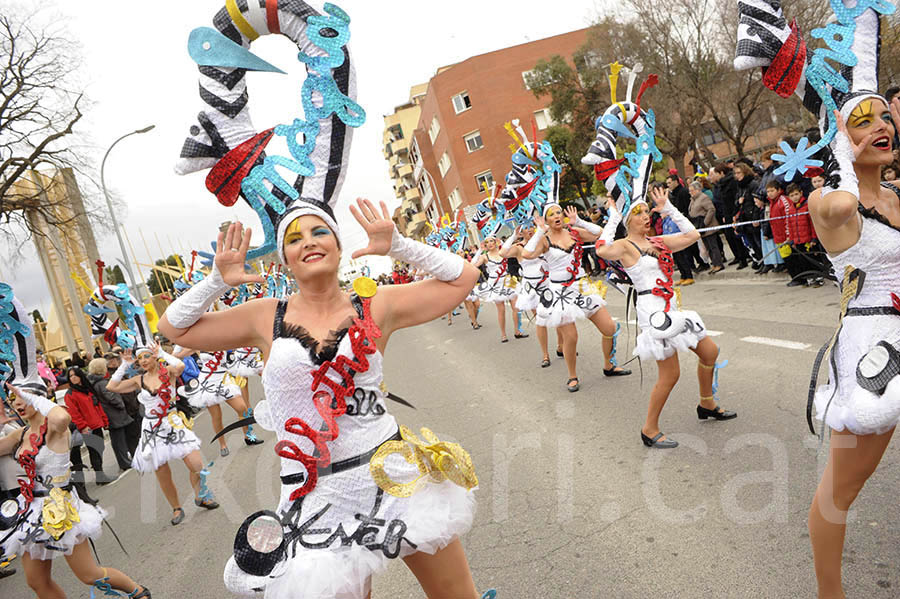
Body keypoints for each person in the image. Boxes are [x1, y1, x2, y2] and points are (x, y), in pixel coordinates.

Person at [159, 195, 487, 598]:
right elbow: (174, 329)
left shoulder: (377, 303)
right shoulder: (264, 315)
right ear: (284, 259)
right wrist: (215, 283)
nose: (309, 242)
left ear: (337, 243)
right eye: (295, 239)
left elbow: (465, 277)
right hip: (316, 495)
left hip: (391, 473)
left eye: (319, 231)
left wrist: (400, 245)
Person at [735, 3, 900, 595]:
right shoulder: (831, 203)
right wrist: (843, 143)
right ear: (839, 138)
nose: (882, 126)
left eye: (886, 116)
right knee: (842, 488)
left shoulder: (898, 194)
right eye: (865, 121)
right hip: (874, 351)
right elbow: (839, 206)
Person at [594, 188, 736, 448]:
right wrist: (613, 217)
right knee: (670, 374)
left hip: (672, 307)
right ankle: (649, 429)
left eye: (647, 211)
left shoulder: (659, 241)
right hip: (653, 312)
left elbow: (693, 235)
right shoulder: (625, 246)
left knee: (709, 352)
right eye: (639, 214)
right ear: (629, 220)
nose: (646, 216)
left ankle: (706, 403)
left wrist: (669, 207)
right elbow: (601, 251)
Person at [0, 381, 150, 598]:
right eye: (14, 399)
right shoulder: (20, 435)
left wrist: (31, 396)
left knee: (90, 575)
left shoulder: (56, 429)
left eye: (24, 397)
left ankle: (137, 591)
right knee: (37, 581)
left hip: (62, 508)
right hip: (31, 510)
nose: (19, 403)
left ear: (39, 399)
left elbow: (61, 417)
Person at [521, 204, 631, 391]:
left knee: (609, 328)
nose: (556, 216)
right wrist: (539, 232)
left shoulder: (574, 232)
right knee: (571, 337)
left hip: (582, 287)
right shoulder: (544, 241)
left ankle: (609, 365)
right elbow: (526, 253)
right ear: (546, 220)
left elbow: (599, 232)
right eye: (551, 214)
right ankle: (572, 376)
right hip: (560, 293)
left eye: (559, 212)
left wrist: (579, 221)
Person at [106, 343, 219, 525]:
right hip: (152, 428)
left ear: (154, 357)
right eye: (140, 358)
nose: (142, 361)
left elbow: (180, 366)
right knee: (162, 471)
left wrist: (163, 353)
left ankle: (200, 495)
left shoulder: (168, 372)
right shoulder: (138, 380)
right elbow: (112, 387)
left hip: (172, 422)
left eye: (146, 356)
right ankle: (176, 508)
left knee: (196, 463)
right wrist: (124, 365)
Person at [500, 225, 564, 367]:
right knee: (541, 320)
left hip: (549, 284)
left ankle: (561, 346)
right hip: (532, 289)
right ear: (521, 231)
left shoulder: (543, 242)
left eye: (532, 227)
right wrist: (513, 237)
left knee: (558, 316)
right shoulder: (518, 247)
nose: (529, 230)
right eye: (526, 228)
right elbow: (502, 253)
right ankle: (545, 355)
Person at [472, 236, 527, 343]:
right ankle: (503, 334)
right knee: (501, 310)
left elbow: (517, 248)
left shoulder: (503, 252)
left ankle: (517, 331)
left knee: (516, 307)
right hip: (496, 284)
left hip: (508, 281)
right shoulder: (485, 256)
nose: (490, 244)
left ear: (496, 242)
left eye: (492, 241)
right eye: (487, 242)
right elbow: (473, 265)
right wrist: (479, 250)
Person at [63, 367, 111, 486]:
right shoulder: (70, 394)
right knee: (92, 451)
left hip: (96, 424)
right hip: (85, 428)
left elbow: (97, 406)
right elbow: (74, 413)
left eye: (75, 375)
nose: (73, 378)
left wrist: (104, 421)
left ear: (80, 375)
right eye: (70, 376)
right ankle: (97, 477)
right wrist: (83, 426)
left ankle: (100, 474)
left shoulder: (88, 389)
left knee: (99, 449)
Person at [86, 358, 133, 473]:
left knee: (118, 440)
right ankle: (124, 462)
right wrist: (121, 404)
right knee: (119, 440)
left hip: (111, 414)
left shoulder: (95, 382)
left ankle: (124, 461)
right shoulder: (102, 383)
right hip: (114, 414)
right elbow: (111, 397)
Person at [710, 163, 750, 269]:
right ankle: (738, 256)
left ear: (722, 173)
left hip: (734, 212)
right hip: (726, 213)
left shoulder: (731, 183)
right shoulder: (721, 185)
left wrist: (735, 213)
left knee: (737, 236)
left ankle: (744, 258)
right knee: (730, 236)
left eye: (716, 174)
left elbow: (733, 198)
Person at [783, 183, 824, 287]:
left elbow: (812, 224)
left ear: (801, 193)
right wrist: (792, 240)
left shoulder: (807, 206)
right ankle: (808, 279)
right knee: (803, 261)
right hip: (798, 241)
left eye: (796, 194)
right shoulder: (790, 209)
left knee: (813, 260)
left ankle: (818, 278)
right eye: (791, 195)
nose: (794, 197)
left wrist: (814, 239)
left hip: (808, 240)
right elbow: (790, 225)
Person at [688, 180, 724, 273]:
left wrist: (705, 222)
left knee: (713, 246)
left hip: (707, 225)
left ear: (698, 189)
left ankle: (718, 263)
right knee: (708, 247)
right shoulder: (693, 200)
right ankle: (714, 263)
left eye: (692, 190)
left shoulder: (703, 198)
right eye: (690, 191)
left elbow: (711, 209)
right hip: (699, 226)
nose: (690, 192)